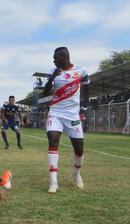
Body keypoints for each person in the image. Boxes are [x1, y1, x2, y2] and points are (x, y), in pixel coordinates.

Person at [43, 47, 90, 194]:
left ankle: (76, 174)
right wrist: (51, 79)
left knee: (79, 149)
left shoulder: (81, 71)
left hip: (73, 115)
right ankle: (53, 182)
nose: (53, 60)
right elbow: (45, 93)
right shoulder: (53, 71)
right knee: (53, 140)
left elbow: (87, 87)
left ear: (64, 57)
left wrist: (85, 107)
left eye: (55, 57)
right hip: (55, 112)